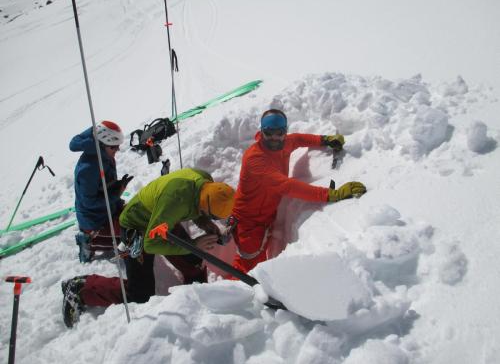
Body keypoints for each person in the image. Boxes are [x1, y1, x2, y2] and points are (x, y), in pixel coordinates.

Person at [61, 168, 235, 328]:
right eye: (211, 215)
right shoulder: (176, 200)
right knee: (140, 293)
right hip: (136, 226)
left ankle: (195, 304)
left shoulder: (205, 181)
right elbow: (151, 244)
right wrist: (193, 244)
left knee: (194, 262)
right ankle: (81, 287)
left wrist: (205, 223)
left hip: (164, 217)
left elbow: (193, 205)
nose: (211, 218)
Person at [229, 109, 367, 274]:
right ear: (262, 131)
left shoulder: (285, 142)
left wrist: (324, 140)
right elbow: (287, 186)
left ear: (284, 132)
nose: (274, 137)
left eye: (279, 133)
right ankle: (235, 296)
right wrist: (331, 194)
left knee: (261, 263)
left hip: (267, 214)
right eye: (269, 133)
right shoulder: (255, 159)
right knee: (247, 267)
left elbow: (299, 139)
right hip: (249, 221)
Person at [69, 120, 133, 263]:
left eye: (118, 146)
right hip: (95, 220)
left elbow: (101, 186)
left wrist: (117, 186)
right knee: (131, 233)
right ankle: (88, 241)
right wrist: (116, 194)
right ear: (102, 144)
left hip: (109, 207)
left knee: (136, 216)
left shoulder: (104, 155)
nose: (117, 150)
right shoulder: (89, 168)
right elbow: (89, 202)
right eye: (113, 147)